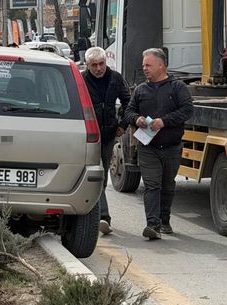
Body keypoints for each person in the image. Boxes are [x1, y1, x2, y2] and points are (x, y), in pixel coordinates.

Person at [123, 48, 194, 240]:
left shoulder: (177, 87)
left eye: (148, 65)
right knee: (152, 185)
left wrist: (164, 121)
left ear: (161, 65)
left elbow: (187, 110)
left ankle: (164, 220)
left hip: (171, 147)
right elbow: (128, 112)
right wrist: (136, 119)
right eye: (144, 65)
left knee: (167, 185)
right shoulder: (140, 90)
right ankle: (152, 225)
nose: (144, 68)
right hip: (148, 148)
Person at [82, 46, 130, 235]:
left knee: (102, 178)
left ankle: (98, 215)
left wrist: (122, 124)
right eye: (94, 65)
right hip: (88, 136)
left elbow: (129, 101)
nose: (98, 68)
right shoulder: (82, 80)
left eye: (101, 64)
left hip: (109, 134)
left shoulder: (115, 78)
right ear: (87, 65)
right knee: (96, 174)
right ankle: (103, 216)